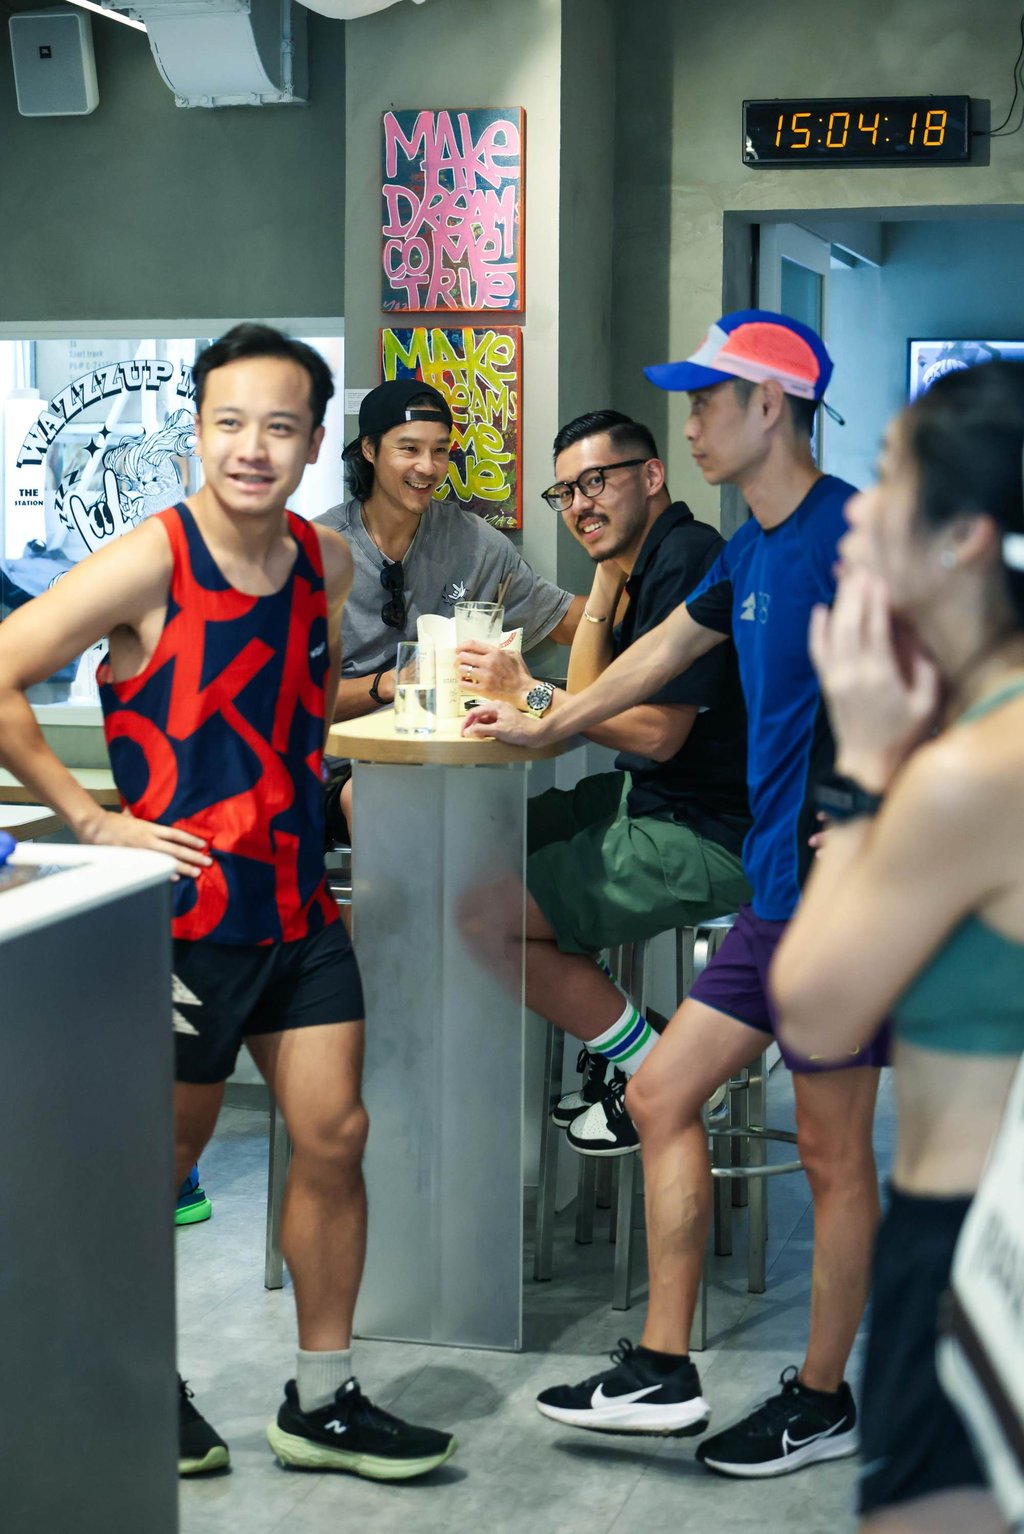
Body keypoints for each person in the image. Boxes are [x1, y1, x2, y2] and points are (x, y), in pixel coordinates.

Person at [0, 324, 456, 1483]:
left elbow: (301, 704)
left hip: (297, 908)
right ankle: (127, 1385)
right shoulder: (147, 560)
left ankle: (322, 1399)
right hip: (182, 920)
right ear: (199, 431)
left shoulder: (324, 563)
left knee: (335, 1135)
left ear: (314, 442)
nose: (253, 446)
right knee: (157, 1165)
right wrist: (91, 819)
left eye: (279, 425)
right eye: (230, 422)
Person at [464, 310, 886, 1476]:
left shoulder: (858, 534)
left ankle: (821, 1397)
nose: (689, 420)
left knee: (834, 1156)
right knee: (657, 1095)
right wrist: (549, 718)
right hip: (773, 896)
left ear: (771, 407)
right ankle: (661, 1367)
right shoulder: (750, 548)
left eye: (708, 398)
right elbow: (659, 657)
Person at [771, 360, 1024, 1532]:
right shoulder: (979, 728)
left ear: (963, 536)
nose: (859, 506)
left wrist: (865, 769)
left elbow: (815, 1012)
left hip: (971, 1240)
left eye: (885, 476)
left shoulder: (969, 769)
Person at [457, 408, 750, 1151]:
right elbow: (590, 699)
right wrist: (605, 574)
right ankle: (629, 1044)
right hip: (655, 797)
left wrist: (528, 691)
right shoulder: (645, 561)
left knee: (483, 918)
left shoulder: (688, 557)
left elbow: (656, 732)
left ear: (651, 476)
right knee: (476, 852)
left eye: (595, 482)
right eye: (565, 493)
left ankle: (656, 1070)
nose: (579, 504)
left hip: (711, 829)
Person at [317, 378, 584, 724]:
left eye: (440, 451)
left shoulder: (474, 542)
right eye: (409, 449)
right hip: (345, 751)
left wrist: (626, 568)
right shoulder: (319, 550)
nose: (428, 467)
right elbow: (285, 696)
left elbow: (565, 621)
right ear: (369, 449)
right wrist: (391, 682)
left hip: (447, 746)